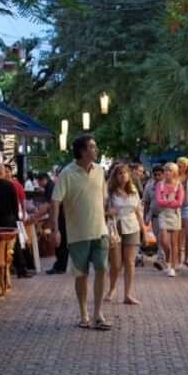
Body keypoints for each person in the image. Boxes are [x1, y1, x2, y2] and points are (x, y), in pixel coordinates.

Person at [51, 134, 112, 330]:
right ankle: (84, 313)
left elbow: (103, 199)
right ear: (83, 151)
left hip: (100, 230)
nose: (96, 150)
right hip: (77, 234)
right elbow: (55, 202)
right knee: (81, 275)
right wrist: (55, 230)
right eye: (92, 147)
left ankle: (98, 313)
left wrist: (108, 218)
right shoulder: (67, 173)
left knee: (102, 270)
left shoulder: (100, 171)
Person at [0, 163, 31, 278]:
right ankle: (21, 270)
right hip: (8, 220)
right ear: (2, 172)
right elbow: (15, 205)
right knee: (14, 244)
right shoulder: (9, 186)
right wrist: (16, 218)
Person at [105, 164, 145, 305]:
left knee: (130, 262)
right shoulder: (109, 191)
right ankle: (111, 288)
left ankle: (127, 294)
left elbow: (138, 210)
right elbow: (100, 211)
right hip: (115, 228)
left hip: (132, 227)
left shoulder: (133, 190)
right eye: (120, 174)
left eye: (125, 173)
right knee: (116, 264)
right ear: (115, 176)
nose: (123, 176)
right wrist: (109, 213)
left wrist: (143, 229)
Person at [156, 162, 185, 277]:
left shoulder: (179, 185)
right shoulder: (160, 185)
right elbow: (159, 201)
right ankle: (167, 259)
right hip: (163, 214)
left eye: (170, 170)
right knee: (164, 241)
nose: (167, 172)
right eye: (166, 170)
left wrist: (167, 202)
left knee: (174, 243)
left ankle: (172, 267)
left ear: (175, 173)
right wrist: (170, 201)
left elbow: (180, 203)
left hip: (174, 214)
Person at [143, 164, 164, 269]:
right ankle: (162, 258)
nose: (156, 177)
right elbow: (146, 202)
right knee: (159, 238)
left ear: (163, 174)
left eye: (159, 175)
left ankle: (161, 259)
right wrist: (145, 217)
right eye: (154, 175)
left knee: (162, 238)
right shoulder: (149, 185)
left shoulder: (167, 184)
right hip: (154, 216)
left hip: (166, 216)